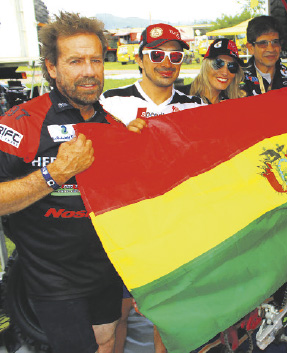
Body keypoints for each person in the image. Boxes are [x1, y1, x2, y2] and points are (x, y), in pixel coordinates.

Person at [0, 12, 124, 353]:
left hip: (107, 270)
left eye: (95, 60)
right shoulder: (22, 122)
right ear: (52, 68)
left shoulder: (115, 123)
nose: (88, 71)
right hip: (53, 277)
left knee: (106, 341)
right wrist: (54, 174)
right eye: (75, 61)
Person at [101, 23, 203, 352]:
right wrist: (119, 141)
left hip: (174, 229)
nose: (167, 61)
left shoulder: (195, 107)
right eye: (157, 53)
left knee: (168, 315)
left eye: (175, 55)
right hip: (123, 228)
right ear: (141, 59)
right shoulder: (110, 103)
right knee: (117, 315)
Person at [243, 15, 287, 96]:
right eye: (263, 43)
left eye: (275, 42)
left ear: (280, 46)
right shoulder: (238, 79)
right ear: (251, 48)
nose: (271, 49)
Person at [178, 38, 245, 104]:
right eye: (218, 63)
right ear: (206, 65)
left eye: (232, 66)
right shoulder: (180, 98)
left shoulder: (233, 102)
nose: (225, 72)